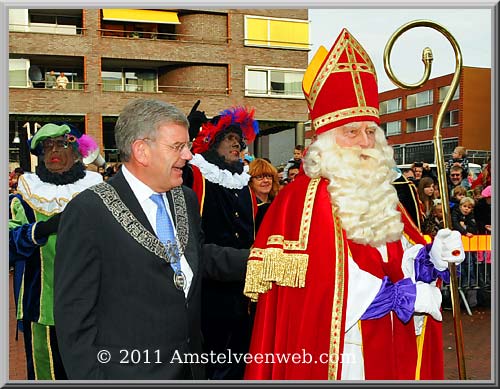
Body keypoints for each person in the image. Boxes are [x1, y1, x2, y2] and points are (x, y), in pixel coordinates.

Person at [243, 28, 465, 380]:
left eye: (370, 131)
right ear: (326, 141)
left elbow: (394, 259)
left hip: (393, 343)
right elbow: (316, 297)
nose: (365, 142)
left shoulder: (382, 191)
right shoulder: (301, 199)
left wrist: (429, 259)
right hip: (342, 357)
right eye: (352, 132)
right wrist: (399, 297)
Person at [53, 99, 250, 380]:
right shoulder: (88, 211)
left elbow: (194, 257)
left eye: (188, 146)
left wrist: (257, 259)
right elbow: (74, 318)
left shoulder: (186, 198)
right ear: (141, 151)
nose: (190, 156)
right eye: (178, 147)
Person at [9, 123, 103, 380]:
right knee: (46, 375)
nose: (53, 151)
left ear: (76, 152)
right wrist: (40, 230)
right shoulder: (25, 197)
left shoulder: (99, 193)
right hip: (42, 308)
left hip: (95, 305)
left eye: (61, 144)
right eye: (46, 146)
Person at [183, 103, 259, 379]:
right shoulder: (196, 175)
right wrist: (187, 135)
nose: (237, 145)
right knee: (209, 360)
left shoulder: (243, 184)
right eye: (230, 139)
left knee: (240, 356)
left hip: (242, 289)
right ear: (213, 143)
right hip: (206, 287)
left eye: (240, 141)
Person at [248, 158, 280, 232]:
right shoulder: (248, 207)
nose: (266, 180)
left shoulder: (278, 203)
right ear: (250, 181)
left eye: (269, 176)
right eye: (259, 177)